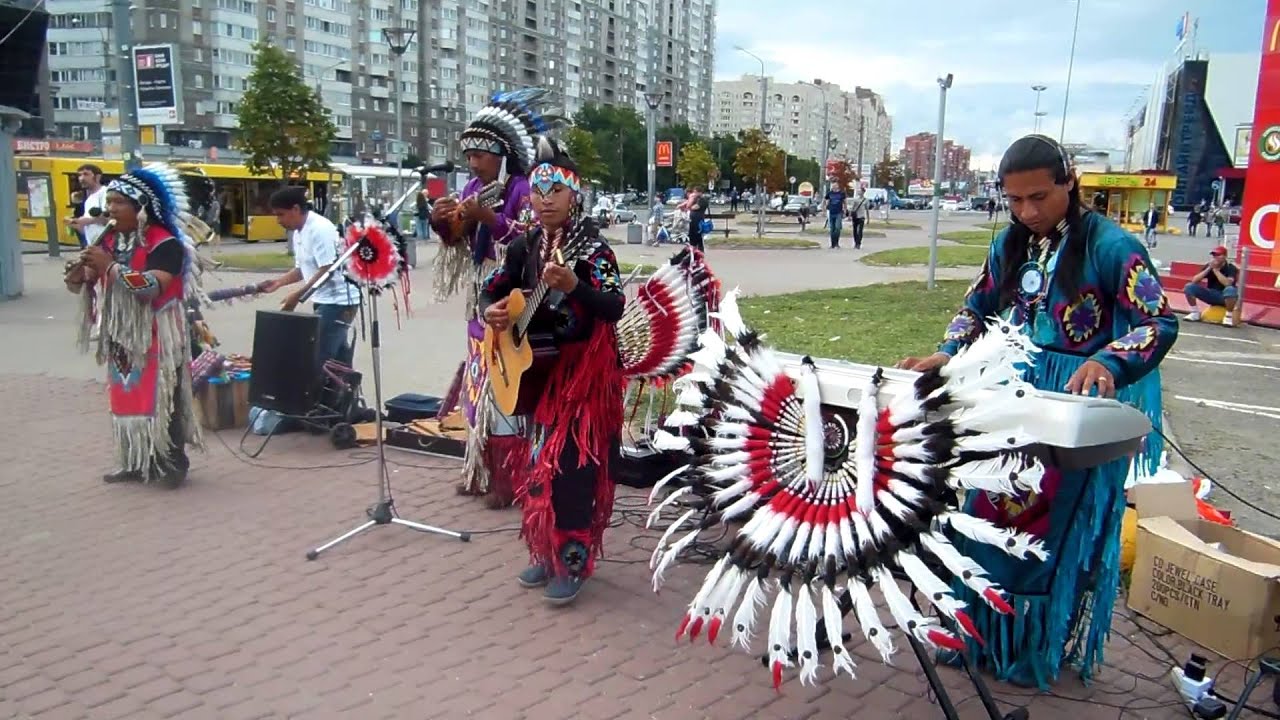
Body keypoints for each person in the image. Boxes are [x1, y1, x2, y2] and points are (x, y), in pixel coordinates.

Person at [899, 134, 1178, 689]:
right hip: (1005, 401)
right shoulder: (1009, 245)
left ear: (1069, 181)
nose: (1028, 212)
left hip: (1070, 408)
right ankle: (973, 636)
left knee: (1045, 533)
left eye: (1040, 198)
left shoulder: (1112, 246)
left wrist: (1109, 362)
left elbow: (1158, 322)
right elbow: (976, 307)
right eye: (1016, 201)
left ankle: (1027, 650)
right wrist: (947, 352)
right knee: (982, 515)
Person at [479, 136, 625, 606]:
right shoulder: (525, 246)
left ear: (574, 195)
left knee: (572, 467)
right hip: (538, 375)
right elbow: (493, 288)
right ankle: (545, 551)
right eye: (539, 192)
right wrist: (492, 313)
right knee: (538, 461)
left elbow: (614, 306)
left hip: (582, 377)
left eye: (555, 192)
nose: (544, 201)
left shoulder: (593, 249)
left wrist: (576, 285)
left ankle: (574, 560)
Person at [430, 89, 548, 508]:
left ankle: (513, 479)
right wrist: (443, 222)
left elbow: (533, 240)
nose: (472, 162)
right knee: (480, 388)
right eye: (468, 155)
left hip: (513, 300)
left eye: (480, 154)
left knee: (507, 391)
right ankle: (481, 471)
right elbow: (458, 241)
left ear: (502, 152)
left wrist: (490, 219)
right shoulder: (472, 188)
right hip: (481, 300)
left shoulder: (522, 188)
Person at [64, 163, 214, 487]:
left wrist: (111, 268)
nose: (111, 208)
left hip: (160, 332)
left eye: (119, 202)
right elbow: (90, 283)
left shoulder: (166, 243)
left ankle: (170, 463)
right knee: (125, 397)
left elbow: (151, 287)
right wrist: (83, 276)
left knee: (163, 400)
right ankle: (134, 460)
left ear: (142, 207)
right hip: (122, 332)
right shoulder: (112, 240)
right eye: (111, 201)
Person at [263, 186, 361, 370]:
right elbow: (302, 269)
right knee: (338, 356)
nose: (278, 220)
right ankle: (346, 394)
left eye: (281, 215)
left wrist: (297, 297)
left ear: (295, 209)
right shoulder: (299, 232)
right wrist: (279, 282)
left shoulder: (320, 229)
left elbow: (327, 269)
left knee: (319, 357)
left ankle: (323, 396)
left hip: (340, 302)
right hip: (323, 299)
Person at [1183, 245, 1238, 327]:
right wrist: (1209, 268)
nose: (1215, 257)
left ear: (1225, 256)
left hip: (1224, 296)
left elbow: (1227, 283)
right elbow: (1194, 280)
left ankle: (1228, 316)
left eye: (1218, 255)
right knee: (1189, 287)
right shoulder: (1209, 266)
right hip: (1211, 293)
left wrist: (1216, 270)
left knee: (1230, 290)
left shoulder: (1231, 268)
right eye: (1214, 255)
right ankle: (1194, 312)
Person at [65, 163, 109, 250]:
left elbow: (111, 220)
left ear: (97, 177)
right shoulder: (89, 199)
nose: (81, 178)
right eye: (79, 175)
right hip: (94, 246)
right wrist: (77, 225)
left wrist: (89, 221)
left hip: (106, 246)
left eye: (86, 174)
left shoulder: (106, 193)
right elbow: (89, 228)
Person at [685, 186, 710, 252]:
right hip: (693, 219)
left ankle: (700, 250)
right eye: (694, 192)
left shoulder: (702, 200)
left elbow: (695, 207)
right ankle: (693, 249)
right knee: (692, 235)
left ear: (700, 193)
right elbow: (688, 206)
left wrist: (691, 206)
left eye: (695, 192)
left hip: (698, 220)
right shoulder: (696, 199)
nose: (694, 194)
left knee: (698, 235)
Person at [824, 184, 847, 249]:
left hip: (838, 213)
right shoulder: (830, 193)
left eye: (835, 185)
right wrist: (824, 209)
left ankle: (837, 243)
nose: (834, 187)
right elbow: (825, 200)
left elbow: (845, 202)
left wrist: (845, 211)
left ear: (838, 186)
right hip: (831, 212)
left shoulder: (841, 193)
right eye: (833, 186)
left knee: (837, 228)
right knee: (832, 229)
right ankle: (832, 244)